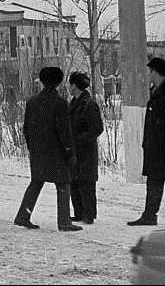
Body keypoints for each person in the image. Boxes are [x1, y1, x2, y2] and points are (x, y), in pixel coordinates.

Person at [14, 67, 81, 231]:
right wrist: (69, 150)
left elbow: (26, 128)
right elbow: (64, 131)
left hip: (38, 151)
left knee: (36, 182)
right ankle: (64, 221)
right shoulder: (60, 104)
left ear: (42, 81)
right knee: (64, 184)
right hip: (57, 152)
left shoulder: (32, 102)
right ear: (58, 82)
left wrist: (32, 146)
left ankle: (23, 215)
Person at [127, 57, 165, 226]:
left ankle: (150, 215)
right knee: (154, 183)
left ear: (156, 72)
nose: (149, 75)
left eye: (151, 71)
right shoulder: (158, 91)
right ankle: (149, 215)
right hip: (156, 148)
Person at [67, 71, 104, 225]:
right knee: (75, 182)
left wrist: (79, 139)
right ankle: (79, 212)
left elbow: (97, 129)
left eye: (70, 84)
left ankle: (88, 214)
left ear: (75, 86)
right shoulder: (74, 103)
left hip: (86, 151)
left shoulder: (89, 104)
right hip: (76, 151)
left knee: (86, 183)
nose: (69, 87)